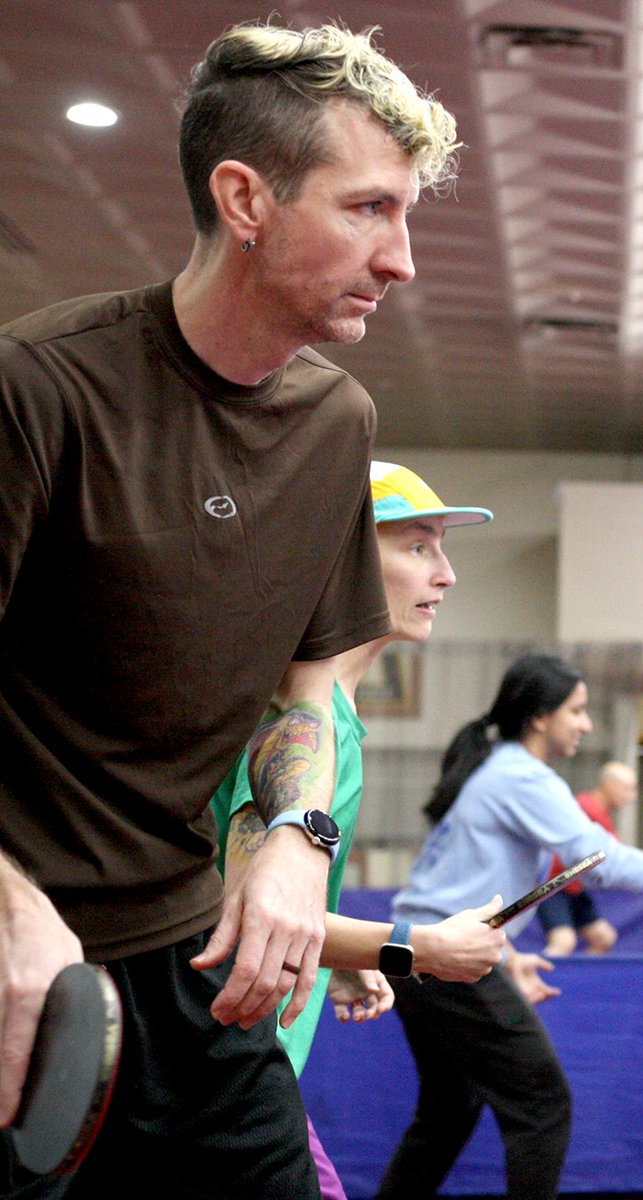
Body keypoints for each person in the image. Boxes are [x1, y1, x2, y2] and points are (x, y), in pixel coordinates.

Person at [0, 20, 487, 1200]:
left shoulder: (337, 423)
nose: (402, 258)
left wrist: (292, 840)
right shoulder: (41, 386)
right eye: (369, 209)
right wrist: (10, 909)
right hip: (18, 961)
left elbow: (306, 687)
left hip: (190, 959)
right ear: (246, 198)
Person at [211, 460, 499, 1198]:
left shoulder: (326, 710)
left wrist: (335, 948)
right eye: (418, 547)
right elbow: (248, 918)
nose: (447, 574)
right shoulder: (298, 725)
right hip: (219, 1069)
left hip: (240, 1061)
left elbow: (274, 892)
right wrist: (417, 950)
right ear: (341, 560)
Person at [375, 654, 643, 1200]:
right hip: (436, 958)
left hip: (416, 952)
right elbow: (601, 861)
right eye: (577, 711)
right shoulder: (519, 774)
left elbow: (456, 882)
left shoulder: (494, 767)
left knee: (450, 1108)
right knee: (543, 1104)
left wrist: (507, 955)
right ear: (541, 716)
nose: (586, 724)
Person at [537, 759, 638, 956]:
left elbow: (616, 853)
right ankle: (535, 983)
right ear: (610, 786)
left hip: (573, 888)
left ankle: (573, 984)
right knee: (563, 942)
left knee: (603, 938)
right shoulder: (587, 809)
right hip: (554, 886)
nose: (632, 797)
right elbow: (616, 857)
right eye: (628, 789)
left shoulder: (600, 811)